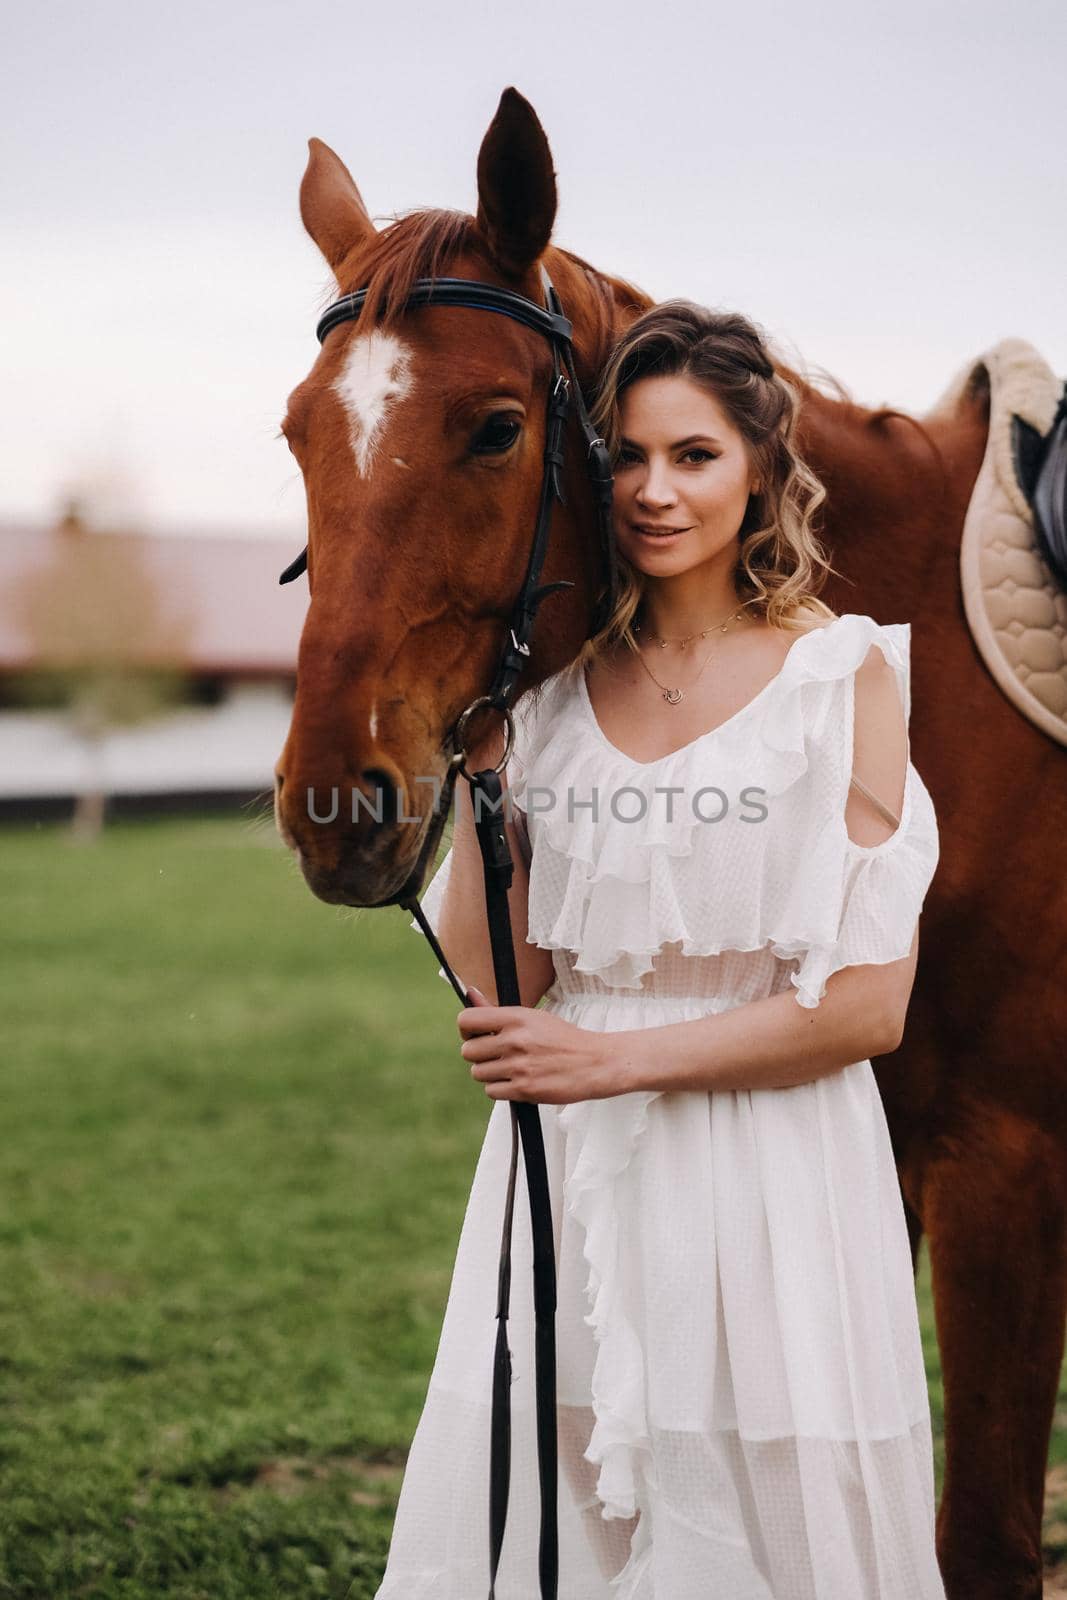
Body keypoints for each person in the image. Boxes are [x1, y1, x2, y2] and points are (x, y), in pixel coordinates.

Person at [381, 302, 945, 1598]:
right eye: (626, 457)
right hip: (576, 1171)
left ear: (759, 469)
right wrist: (483, 779)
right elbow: (503, 981)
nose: (653, 489)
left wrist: (614, 1061)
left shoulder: (840, 678)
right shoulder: (551, 699)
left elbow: (868, 1009)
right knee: (561, 1496)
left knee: (763, 1500)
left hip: (771, 1167)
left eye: (693, 455)